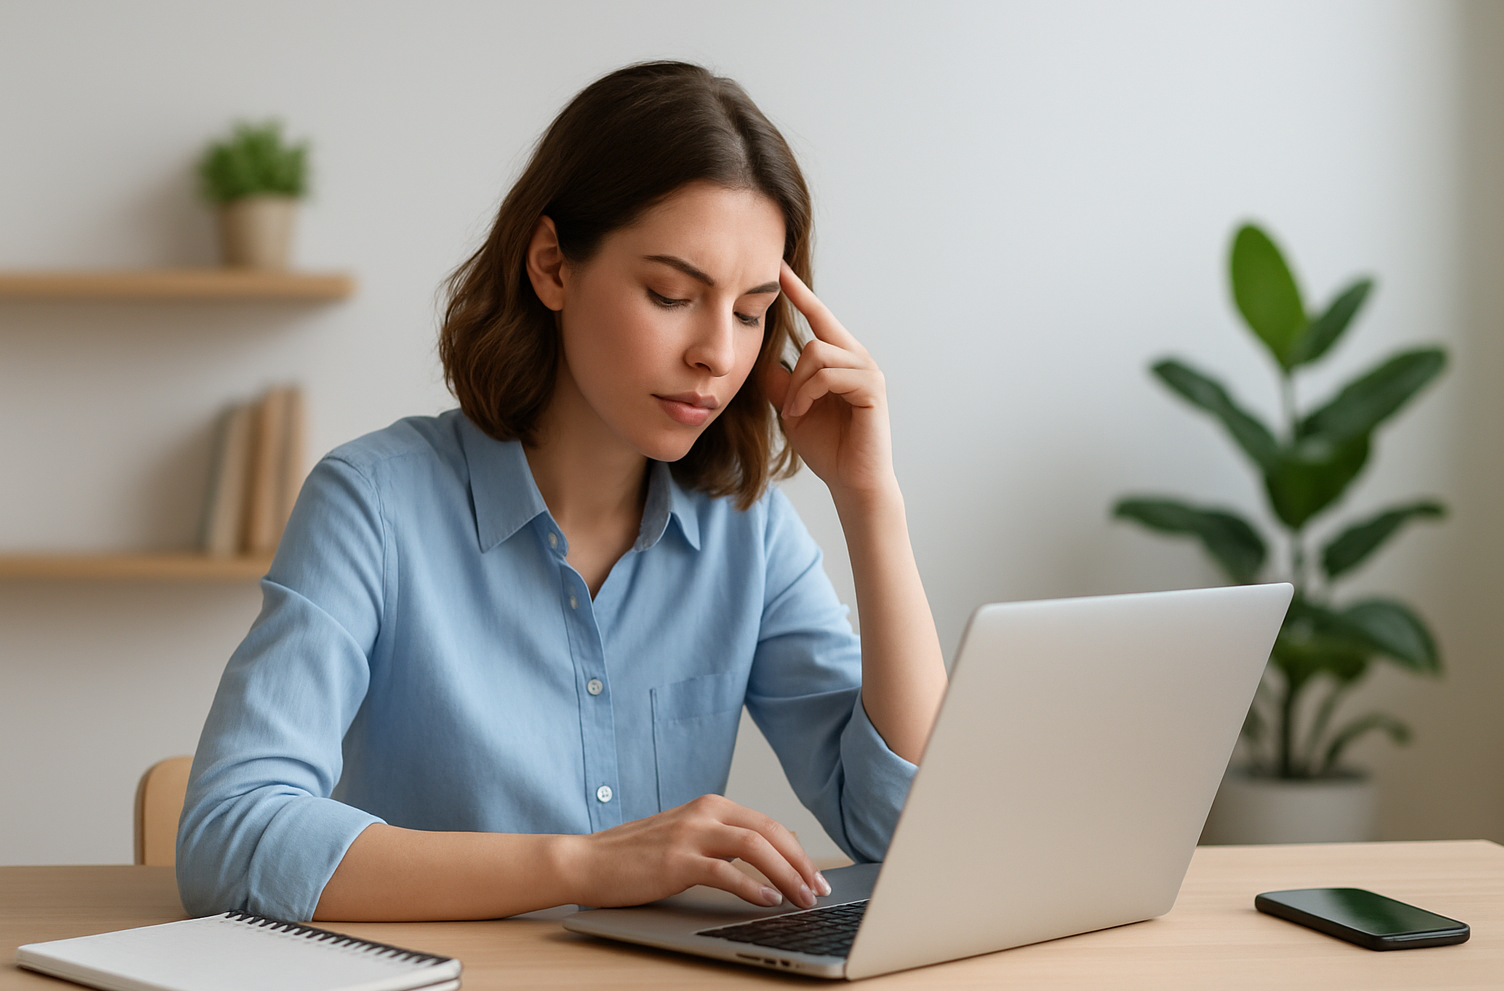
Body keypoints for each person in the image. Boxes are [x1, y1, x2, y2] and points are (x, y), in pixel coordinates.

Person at [177, 61, 948, 923]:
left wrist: (869, 503)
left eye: (750, 311)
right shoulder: (374, 504)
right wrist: (584, 867)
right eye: (672, 294)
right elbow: (228, 836)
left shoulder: (747, 530)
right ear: (552, 265)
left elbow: (911, 832)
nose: (718, 355)